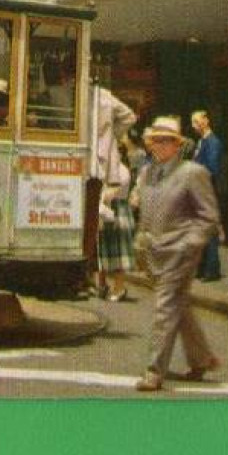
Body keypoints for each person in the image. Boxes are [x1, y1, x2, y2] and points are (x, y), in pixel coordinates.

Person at [133, 116, 221, 392]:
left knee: (165, 307)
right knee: (178, 306)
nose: (159, 145)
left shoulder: (193, 173)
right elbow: (144, 210)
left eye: (165, 140)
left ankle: (154, 370)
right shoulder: (147, 173)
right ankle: (202, 358)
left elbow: (209, 217)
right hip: (154, 252)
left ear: (177, 145)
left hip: (180, 251)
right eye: (155, 140)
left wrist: (189, 245)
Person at [88, 85, 137, 298]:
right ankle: (102, 284)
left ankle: (110, 285)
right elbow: (129, 117)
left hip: (94, 166)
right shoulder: (104, 95)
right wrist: (111, 136)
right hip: (102, 162)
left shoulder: (90, 95)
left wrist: (110, 137)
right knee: (105, 249)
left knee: (108, 249)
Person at [191, 110, 224, 281]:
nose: (193, 126)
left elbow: (212, 168)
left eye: (196, 121)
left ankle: (211, 270)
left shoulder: (213, 142)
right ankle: (202, 268)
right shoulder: (202, 141)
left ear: (206, 121)